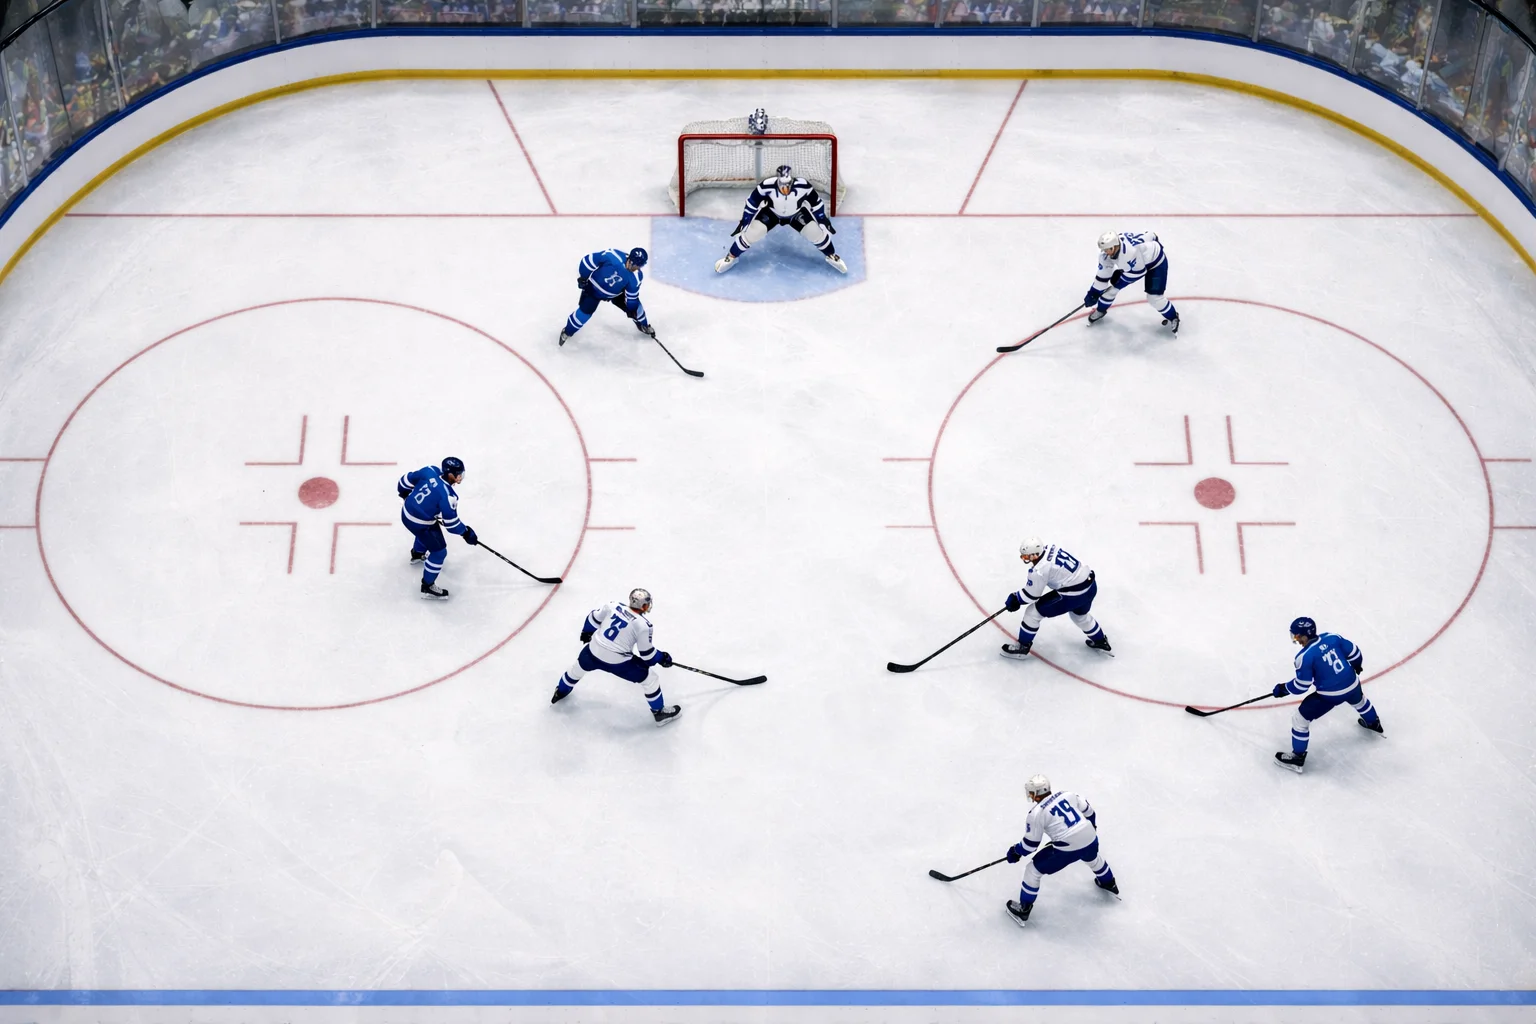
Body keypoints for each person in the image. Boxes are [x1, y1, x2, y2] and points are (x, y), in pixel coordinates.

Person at [552, 588, 681, 725]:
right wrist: (662, 658)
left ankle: (560, 692)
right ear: (643, 606)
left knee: (576, 669)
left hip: (592, 652)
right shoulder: (643, 625)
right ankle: (659, 713)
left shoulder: (613, 605)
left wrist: (587, 632)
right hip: (618, 662)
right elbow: (647, 655)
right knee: (651, 679)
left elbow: (593, 618)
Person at [1003, 774, 1118, 926]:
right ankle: (1109, 882)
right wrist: (1090, 830)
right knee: (1092, 857)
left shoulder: (1036, 813)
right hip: (1090, 837)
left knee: (1032, 870)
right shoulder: (1068, 794)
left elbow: (1030, 845)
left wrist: (1016, 851)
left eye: (1031, 792)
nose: (1030, 795)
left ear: (1036, 794)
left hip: (1068, 847)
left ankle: (1023, 909)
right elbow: (1090, 812)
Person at [1272, 616, 1383, 773]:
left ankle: (1297, 757)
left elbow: (1302, 685)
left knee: (1300, 719)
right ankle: (1374, 723)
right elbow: (1355, 653)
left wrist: (1284, 689)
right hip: (1352, 683)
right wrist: (1357, 666)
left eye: (1297, 636)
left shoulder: (1304, 657)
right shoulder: (1332, 637)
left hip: (1330, 695)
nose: (1296, 640)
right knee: (1360, 701)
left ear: (1305, 635)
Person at [714, 164, 848, 275]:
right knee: (752, 233)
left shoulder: (803, 186)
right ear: (777, 180)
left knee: (816, 233)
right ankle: (731, 257)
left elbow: (816, 203)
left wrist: (822, 219)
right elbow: (752, 203)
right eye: (782, 184)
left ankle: (832, 256)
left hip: (796, 214)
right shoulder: (766, 186)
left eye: (788, 184)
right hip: (772, 213)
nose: (785, 188)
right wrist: (745, 221)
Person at [1000, 538, 1111, 658]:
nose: (1025, 560)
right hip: (1090, 586)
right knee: (1080, 616)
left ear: (1035, 555)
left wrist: (1015, 598)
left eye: (1027, 557)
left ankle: (1022, 647)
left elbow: (1031, 595)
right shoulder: (1050, 548)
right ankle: (1101, 641)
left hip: (1075, 594)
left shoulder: (1039, 570)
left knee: (1032, 613)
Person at [397, 457, 477, 599]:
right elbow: (451, 525)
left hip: (406, 512)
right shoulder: (448, 496)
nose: (460, 477)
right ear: (450, 474)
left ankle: (417, 553)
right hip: (419, 523)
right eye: (458, 474)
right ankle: (427, 586)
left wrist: (404, 494)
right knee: (439, 552)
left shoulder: (430, 471)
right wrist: (466, 533)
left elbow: (404, 481)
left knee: (429, 530)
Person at [1084, 230, 1180, 334]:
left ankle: (1173, 317)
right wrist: (1093, 292)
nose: (1105, 252)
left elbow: (1139, 272)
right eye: (1104, 249)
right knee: (1110, 291)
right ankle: (1100, 310)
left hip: (1156, 263)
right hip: (1138, 263)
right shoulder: (1107, 254)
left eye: (1107, 249)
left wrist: (1120, 278)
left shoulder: (1128, 254)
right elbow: (1102, 276)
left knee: (1154, 298)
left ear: (1115, 246)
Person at [560, 247, 653, 346]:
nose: (636, 268)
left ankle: (643, 325)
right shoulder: (612, 256)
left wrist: (631, 309)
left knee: (637, 308)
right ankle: (567, 332)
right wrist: (583, 277)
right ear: (630, 260)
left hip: (616, 294)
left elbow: (632, 296)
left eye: (640, 265)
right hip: (593, 290)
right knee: (584, 313)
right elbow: (588, 261)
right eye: (635, 264)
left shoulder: (636, 276)